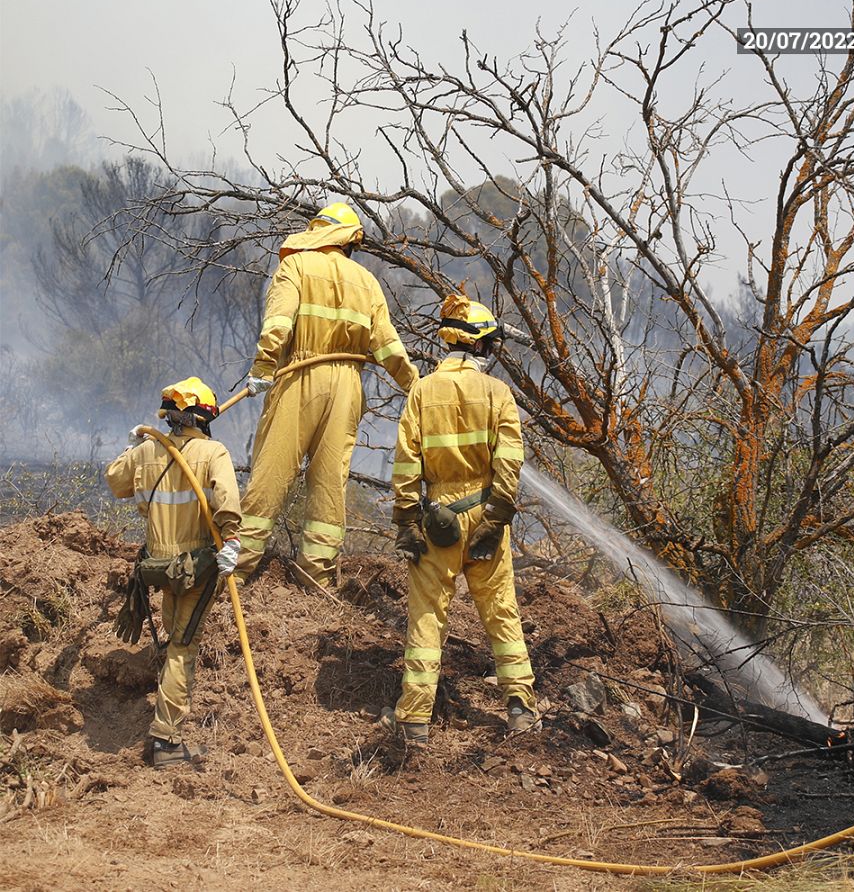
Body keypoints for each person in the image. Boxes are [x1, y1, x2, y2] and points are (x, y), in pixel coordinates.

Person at [381, 293, 539, 745]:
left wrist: (408, 520)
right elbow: (510, 461)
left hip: (437, 522)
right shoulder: (497, 393)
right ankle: (520, 710)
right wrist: (498, 516)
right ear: (482, 347)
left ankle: (413, 721)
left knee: (427, 618)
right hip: (485, 511)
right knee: (501, 612)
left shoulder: (421, 392)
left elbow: (406, 464)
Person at [235, 202, 419, 588]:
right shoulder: (367, 282)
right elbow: (389, 348)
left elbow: (278, 325)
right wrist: (417, 389)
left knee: (271, 474)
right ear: (350, 241)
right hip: (348, 386)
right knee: (329, 482)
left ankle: (234, 571)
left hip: (299, 376)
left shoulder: (296, 267)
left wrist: (263, 369)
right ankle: (315, 578)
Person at [105, 377, 241, 768]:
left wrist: (134, 446)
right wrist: (231, 544)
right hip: (195, 569)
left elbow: (115, 481)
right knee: (183, 649)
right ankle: (165, 741)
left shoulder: (147, 450)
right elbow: (228, 503)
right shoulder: (212, 451)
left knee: (172, 641)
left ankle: (165, 720)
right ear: (204, 415)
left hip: (158, 569)